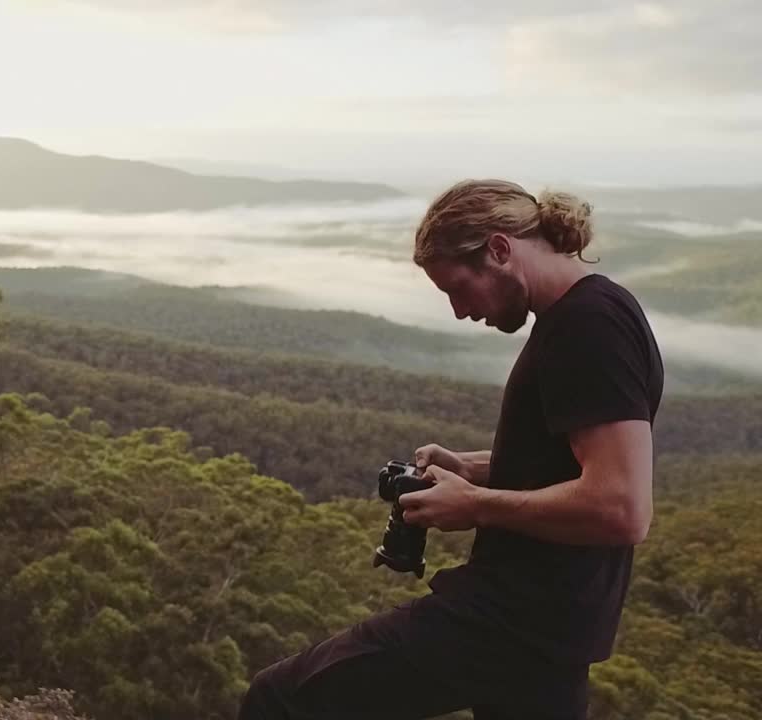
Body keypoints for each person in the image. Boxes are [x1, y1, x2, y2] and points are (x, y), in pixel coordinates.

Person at [237, 179, 664, 720]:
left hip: (512, 619)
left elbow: (622, 508)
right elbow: (577, 465)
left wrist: (474, 505)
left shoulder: (588, 327)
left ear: (500, 250)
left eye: (458, 289)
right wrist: (472, 470)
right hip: (554, 628)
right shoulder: (593, 311)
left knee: (280, 700)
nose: (461, 312)